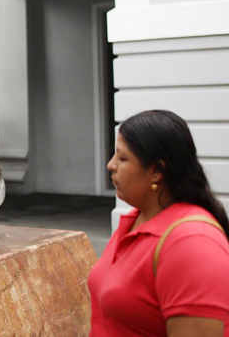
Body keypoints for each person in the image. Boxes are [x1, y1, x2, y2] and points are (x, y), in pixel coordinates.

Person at [88, 110, 229, 337]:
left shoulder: (193, 244)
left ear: (156, 171)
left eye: (122, 158)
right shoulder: (136, 221)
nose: (110, 165)